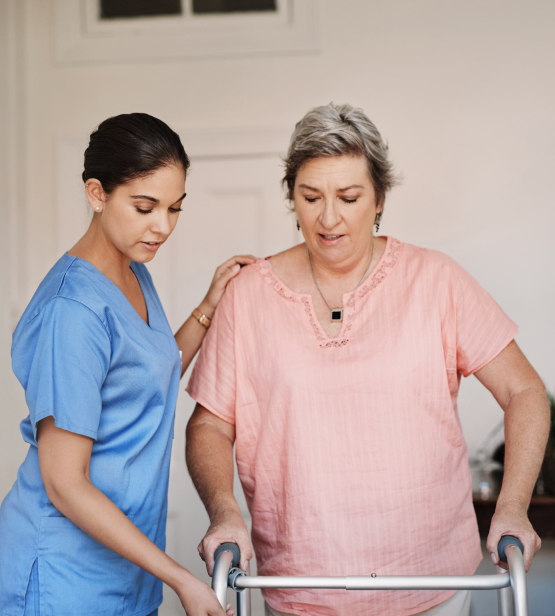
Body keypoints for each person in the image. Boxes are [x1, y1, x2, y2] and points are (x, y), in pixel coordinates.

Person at [185, 103, 550, 616]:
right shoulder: (249, 297)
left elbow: (524, 391)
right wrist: (224, 513)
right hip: (301, 588)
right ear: (292, 197)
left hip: (433, 579)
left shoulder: (436, 280)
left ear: (379, 197)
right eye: (311, 197)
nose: (328, 217)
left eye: (348, 197)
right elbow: (209, 426)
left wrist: (513, 507)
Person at [0, 113, 254, 616]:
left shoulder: (133, 269)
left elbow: (144, 375)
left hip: (125, 566)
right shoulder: (71, 312)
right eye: (144, 207)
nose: (162, 226)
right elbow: (65, 484)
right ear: (97, 194)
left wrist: (209, 306)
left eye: (174, 208)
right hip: (62, 575)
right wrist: (180, 577)